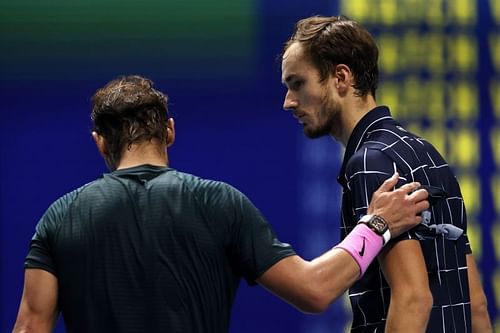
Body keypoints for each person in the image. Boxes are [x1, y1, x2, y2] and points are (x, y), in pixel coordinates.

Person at [12, 75, 428, 333]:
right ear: (170, 132)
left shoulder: (59, 217)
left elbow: (31, 328)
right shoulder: (218, 202)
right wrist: (376, 225)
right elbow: (315, 290)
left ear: (100, 142)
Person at [281, 15, 493, 333]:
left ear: (341, 78)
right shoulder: (427, 152)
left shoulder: (370, 163)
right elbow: (475, 302)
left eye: (297, 84)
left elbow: (413, 300)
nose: (288, 102)